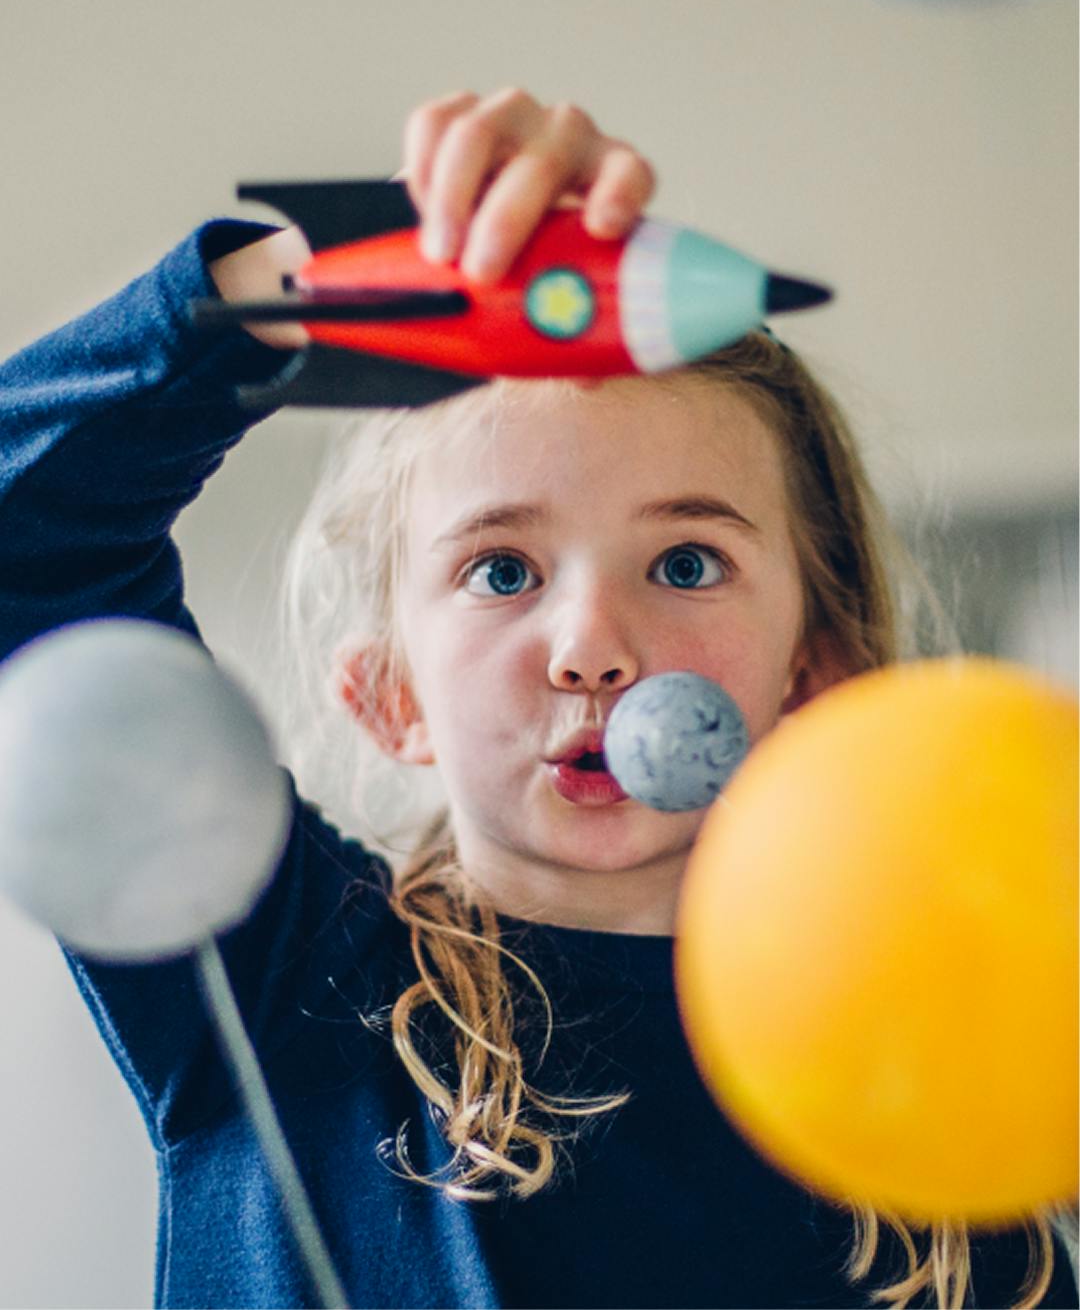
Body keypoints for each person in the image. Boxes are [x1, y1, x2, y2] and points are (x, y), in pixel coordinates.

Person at [0, 88, 1072, 1310]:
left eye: (685, 564)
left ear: (812, 673)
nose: (593, 649)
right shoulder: (291, 974)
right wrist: (331, 276)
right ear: (390, 697)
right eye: (501, 571)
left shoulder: (974, 1044)